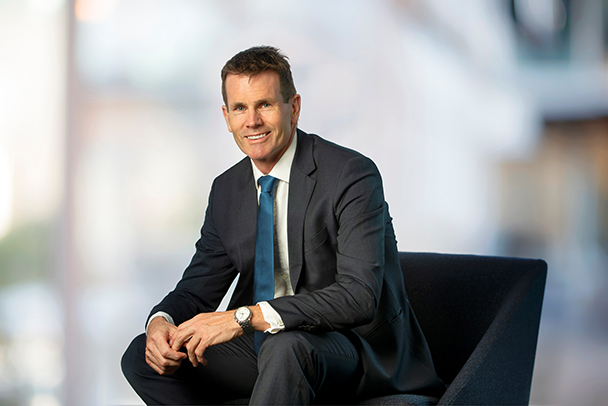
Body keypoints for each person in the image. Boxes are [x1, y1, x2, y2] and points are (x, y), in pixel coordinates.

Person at [121, 46, 444, 405]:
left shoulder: (350, 175)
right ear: (226, 117)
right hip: (266, 350)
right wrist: (161, 322)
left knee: (285, 346)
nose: (252, 121)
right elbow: (197, 291)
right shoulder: (227, 190)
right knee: (141, 357)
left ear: (294, 107)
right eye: (240, 108)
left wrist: (243, 318)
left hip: (353, 351)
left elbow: (358, 297)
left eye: (265, 105)